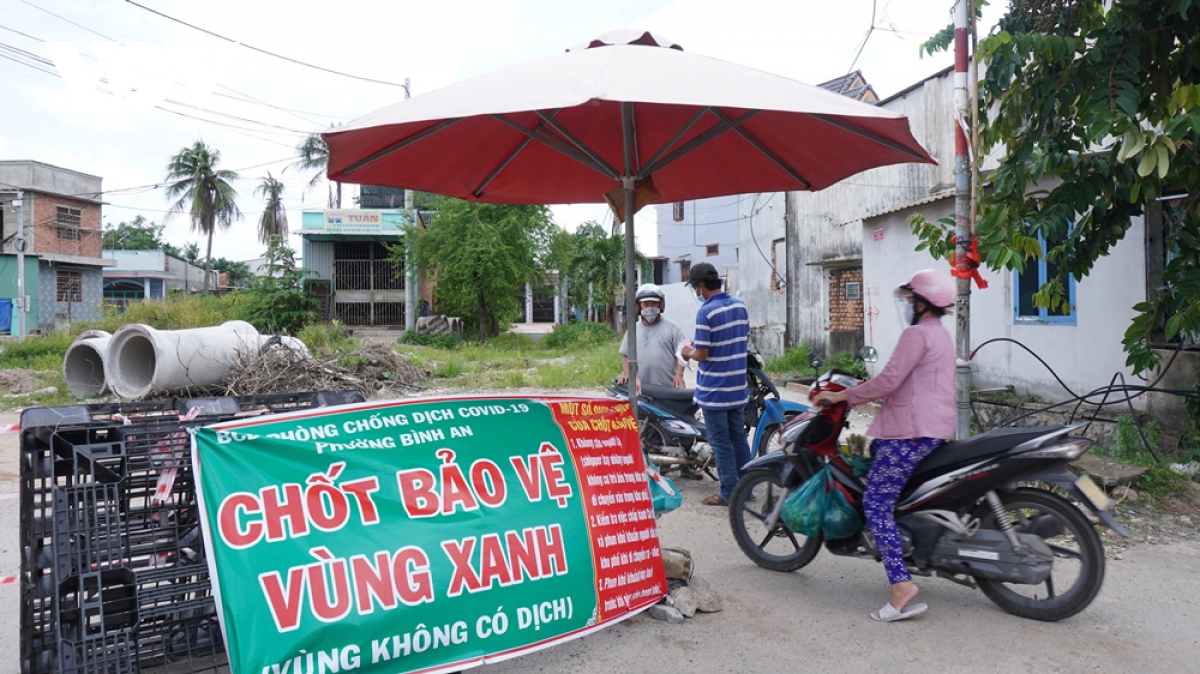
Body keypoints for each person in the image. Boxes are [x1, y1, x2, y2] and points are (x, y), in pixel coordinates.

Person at [812, 269, 956, 623]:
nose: (907, 305)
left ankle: (901, 585)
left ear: (923, 303)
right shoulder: (940, 335)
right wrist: (865, 386)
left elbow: (890, 380)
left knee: (876, 503)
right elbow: (906, 378)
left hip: (911, 431)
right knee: (873, 458)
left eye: (911, 300)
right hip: (932, 429)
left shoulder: (916, 334)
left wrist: (844, 395)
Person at [680, 262, 752, 506]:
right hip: (737, 388)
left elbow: (702, 354)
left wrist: (687, 351)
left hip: (714, 391)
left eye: (695, 287)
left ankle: (728, 493)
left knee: (720, 442)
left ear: (701, 286)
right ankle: (747, 489)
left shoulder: (706, 312)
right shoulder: (740, 305)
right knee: (739, 440)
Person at [617, 283, 687, 389]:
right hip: (641, 389)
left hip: (668, 387)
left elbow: (682, 354)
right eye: (646, 304)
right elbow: (626, 355)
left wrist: (679, 375)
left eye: (654, 304)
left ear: (660, 305)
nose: (650, 308)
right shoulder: (632, 330)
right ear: (639, 306)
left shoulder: (673, 329)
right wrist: (627, 373)